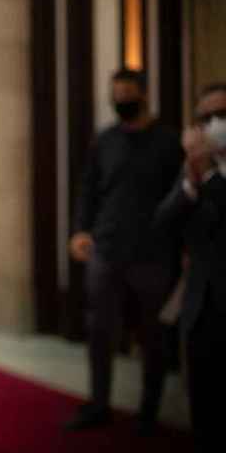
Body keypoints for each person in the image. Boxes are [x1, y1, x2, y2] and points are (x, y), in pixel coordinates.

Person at [66, 69, 183, 434]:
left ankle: (149, 410)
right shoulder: (105, 140)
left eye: (127, 92)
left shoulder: (168, 142)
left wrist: (181, 248)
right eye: (115, 93)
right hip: (106, 247)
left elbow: (180, 198)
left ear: (144, 95)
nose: (120, 100)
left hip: (153, 252)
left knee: (153, 336)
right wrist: (81, 230)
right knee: (100, 330)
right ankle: (98, 404)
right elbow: (89, 189)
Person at [153, 82, 226, 453]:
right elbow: (162, 226)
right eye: (205, 118)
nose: (214, 125)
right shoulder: (193, 175)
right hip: (204, 315)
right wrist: (192, 178)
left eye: (221, 114)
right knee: (208, 424)